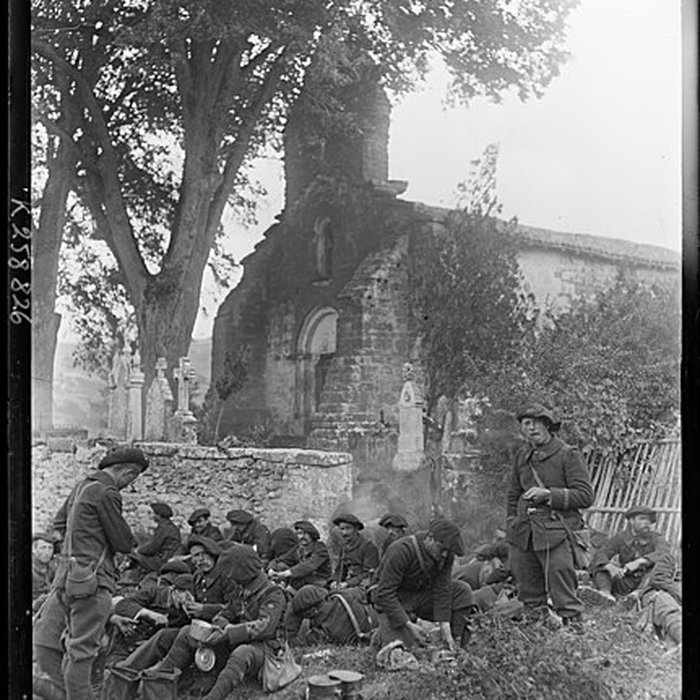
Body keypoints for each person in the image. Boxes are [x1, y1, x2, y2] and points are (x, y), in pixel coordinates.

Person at [36, 445, 149, 700]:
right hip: (92, 583)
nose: (128, 485)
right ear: (128, 472)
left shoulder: (81, 486)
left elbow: (58, 525)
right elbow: (122, 541)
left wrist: (74, 554)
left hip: (64, 581)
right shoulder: (107, 492)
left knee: (54, 646)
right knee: (82, 655)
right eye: (132, 479)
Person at [144, 544, 287, 700]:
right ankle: (159, 680)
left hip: (266, 648)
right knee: (187, 633)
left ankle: (213, 697)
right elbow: (224, 613)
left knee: (242, 653)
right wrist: (221, 627)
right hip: (237, 638)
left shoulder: (273, 593)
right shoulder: (242, 589)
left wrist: (229, 633)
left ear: (245, 571)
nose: (231, 578)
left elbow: (264, 627)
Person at [506, 402, 594, 630]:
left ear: (548, 425)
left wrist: (549, 494)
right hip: (524, 533)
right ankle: (539, 640)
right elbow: (514, 494)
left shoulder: (567, 454)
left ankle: (576, 638)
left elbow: (585, 496)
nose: (531, 428)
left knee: (562, 587)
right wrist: (511, 523)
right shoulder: (522, 455)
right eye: (527, 424)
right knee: (529, 590)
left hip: (556, 532)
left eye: (537, 423)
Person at [116, 535, 237, 672]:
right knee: (163, 636)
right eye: (195, 557)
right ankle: (127, 669)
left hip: (219, 634)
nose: (199, 560)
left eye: (202, 554)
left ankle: (160, 673)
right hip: (198, 630)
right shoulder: (198, 577)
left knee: (184, 634)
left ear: (212, 553)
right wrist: (188, 606)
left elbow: (234, 609)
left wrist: (204, 610)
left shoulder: (227, 577)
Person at [581, 505, 681, 645]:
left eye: (649, 520)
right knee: (599, 566)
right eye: (642, 519)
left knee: (661, 564)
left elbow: (664, 553)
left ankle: (637, 595)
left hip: (647, 582)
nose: (646, 523)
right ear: (631, 521)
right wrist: (609, 566)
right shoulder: (621, 538)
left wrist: (641, 561)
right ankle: (605, 595)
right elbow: (601, 554)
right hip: (626, 582)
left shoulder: (657, 538)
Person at [373, 518, 475, 651]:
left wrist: (446, 631)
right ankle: (379, 635)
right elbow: (384, 594)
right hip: (394, 602)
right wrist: (408, 624)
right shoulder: (401, 550)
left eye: (448, 551)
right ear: (430, 538)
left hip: (420, 597)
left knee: (462, 590)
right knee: (405, 650)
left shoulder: (446, 555)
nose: (444, 554)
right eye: (442, 549)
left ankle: (454, 644)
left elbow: (443, 590)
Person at [285, 584, 377, 646]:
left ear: (312, 612)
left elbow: (292, 642)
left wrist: (293, 615)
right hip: (379, 623)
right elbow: (364, 590)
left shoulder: (322, 632)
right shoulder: (343, 596)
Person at [267, 520, 331, 590]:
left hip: (318, 584)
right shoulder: (298, 549)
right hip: (302, 581)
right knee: (280, 565)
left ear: (312, 534)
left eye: (306, 534)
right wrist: (271, 569)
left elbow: (308, 566)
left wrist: (287, 573)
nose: (302, 537)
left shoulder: (320, 548)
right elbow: (281, 559)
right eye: (299, 534)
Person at [330, 513, 379, 589]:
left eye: (348, 528)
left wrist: (348, 583)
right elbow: (341, 569)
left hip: (363, 587)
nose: (344, 533)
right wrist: (334, 581)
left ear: (356, 529)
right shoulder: (344, 547)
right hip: (346, 585)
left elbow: (369, 573)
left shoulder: (368, 547)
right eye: (342, 529)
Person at [130, 501, 182, 573]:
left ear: (159, 515)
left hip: (163, 560)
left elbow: (153, 547)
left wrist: (139, 550)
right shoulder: (171, 527)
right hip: (168, 557)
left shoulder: (164, 528)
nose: (152, 516)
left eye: (153, 513)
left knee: (134, 554)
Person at [32, 531, 59, 612]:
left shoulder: (53, 566)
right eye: (43, 548)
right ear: (34, 549)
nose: (47, 552)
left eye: (50, 548)